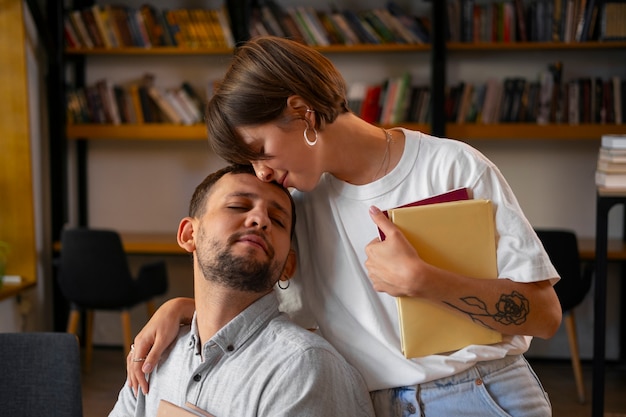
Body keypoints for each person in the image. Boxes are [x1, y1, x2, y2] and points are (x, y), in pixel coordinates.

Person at [128, 36, 562, 416]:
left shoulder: (449, 167)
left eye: (261, 150)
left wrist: (423, 280)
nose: (260, 173)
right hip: (368, 404)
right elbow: (254, 297)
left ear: (302, 113)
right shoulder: (295, 203)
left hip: (478, 395)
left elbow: (544, 316)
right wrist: (183, 309)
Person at [110, 164, 375, 417]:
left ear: (288, 266)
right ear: (189, 234)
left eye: (278, 220)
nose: (260, 220)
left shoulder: (302, 366)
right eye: (238, 206)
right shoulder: (156, 354)